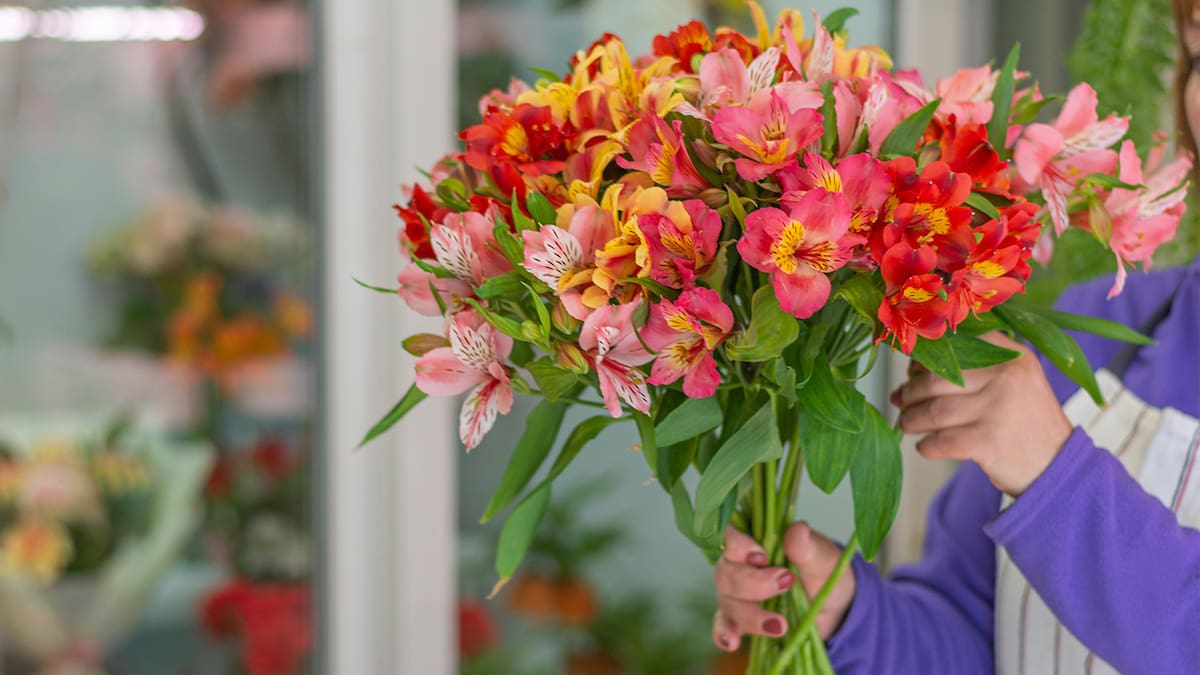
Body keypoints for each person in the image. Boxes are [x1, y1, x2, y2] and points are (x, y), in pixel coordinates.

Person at [712, 4, 1200, 674]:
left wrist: (1053, 475)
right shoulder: (1080, 342)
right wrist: (842, 610)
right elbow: (967, 637)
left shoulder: (1049, 412)